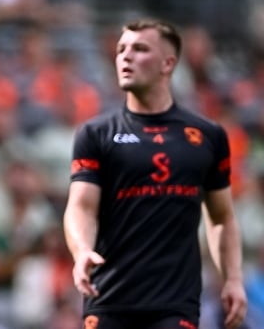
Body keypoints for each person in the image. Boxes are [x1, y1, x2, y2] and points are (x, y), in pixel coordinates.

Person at [62, 20, 248, 328]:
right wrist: (81, 250)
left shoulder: (207, 135)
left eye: (140, 49)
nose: (125, 56)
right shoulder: (95, 134)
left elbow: (221, 217)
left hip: (174, 305)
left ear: (168, 63)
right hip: (108, 298)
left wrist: (233, 278)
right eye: (121, 49)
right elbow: (81, 206)